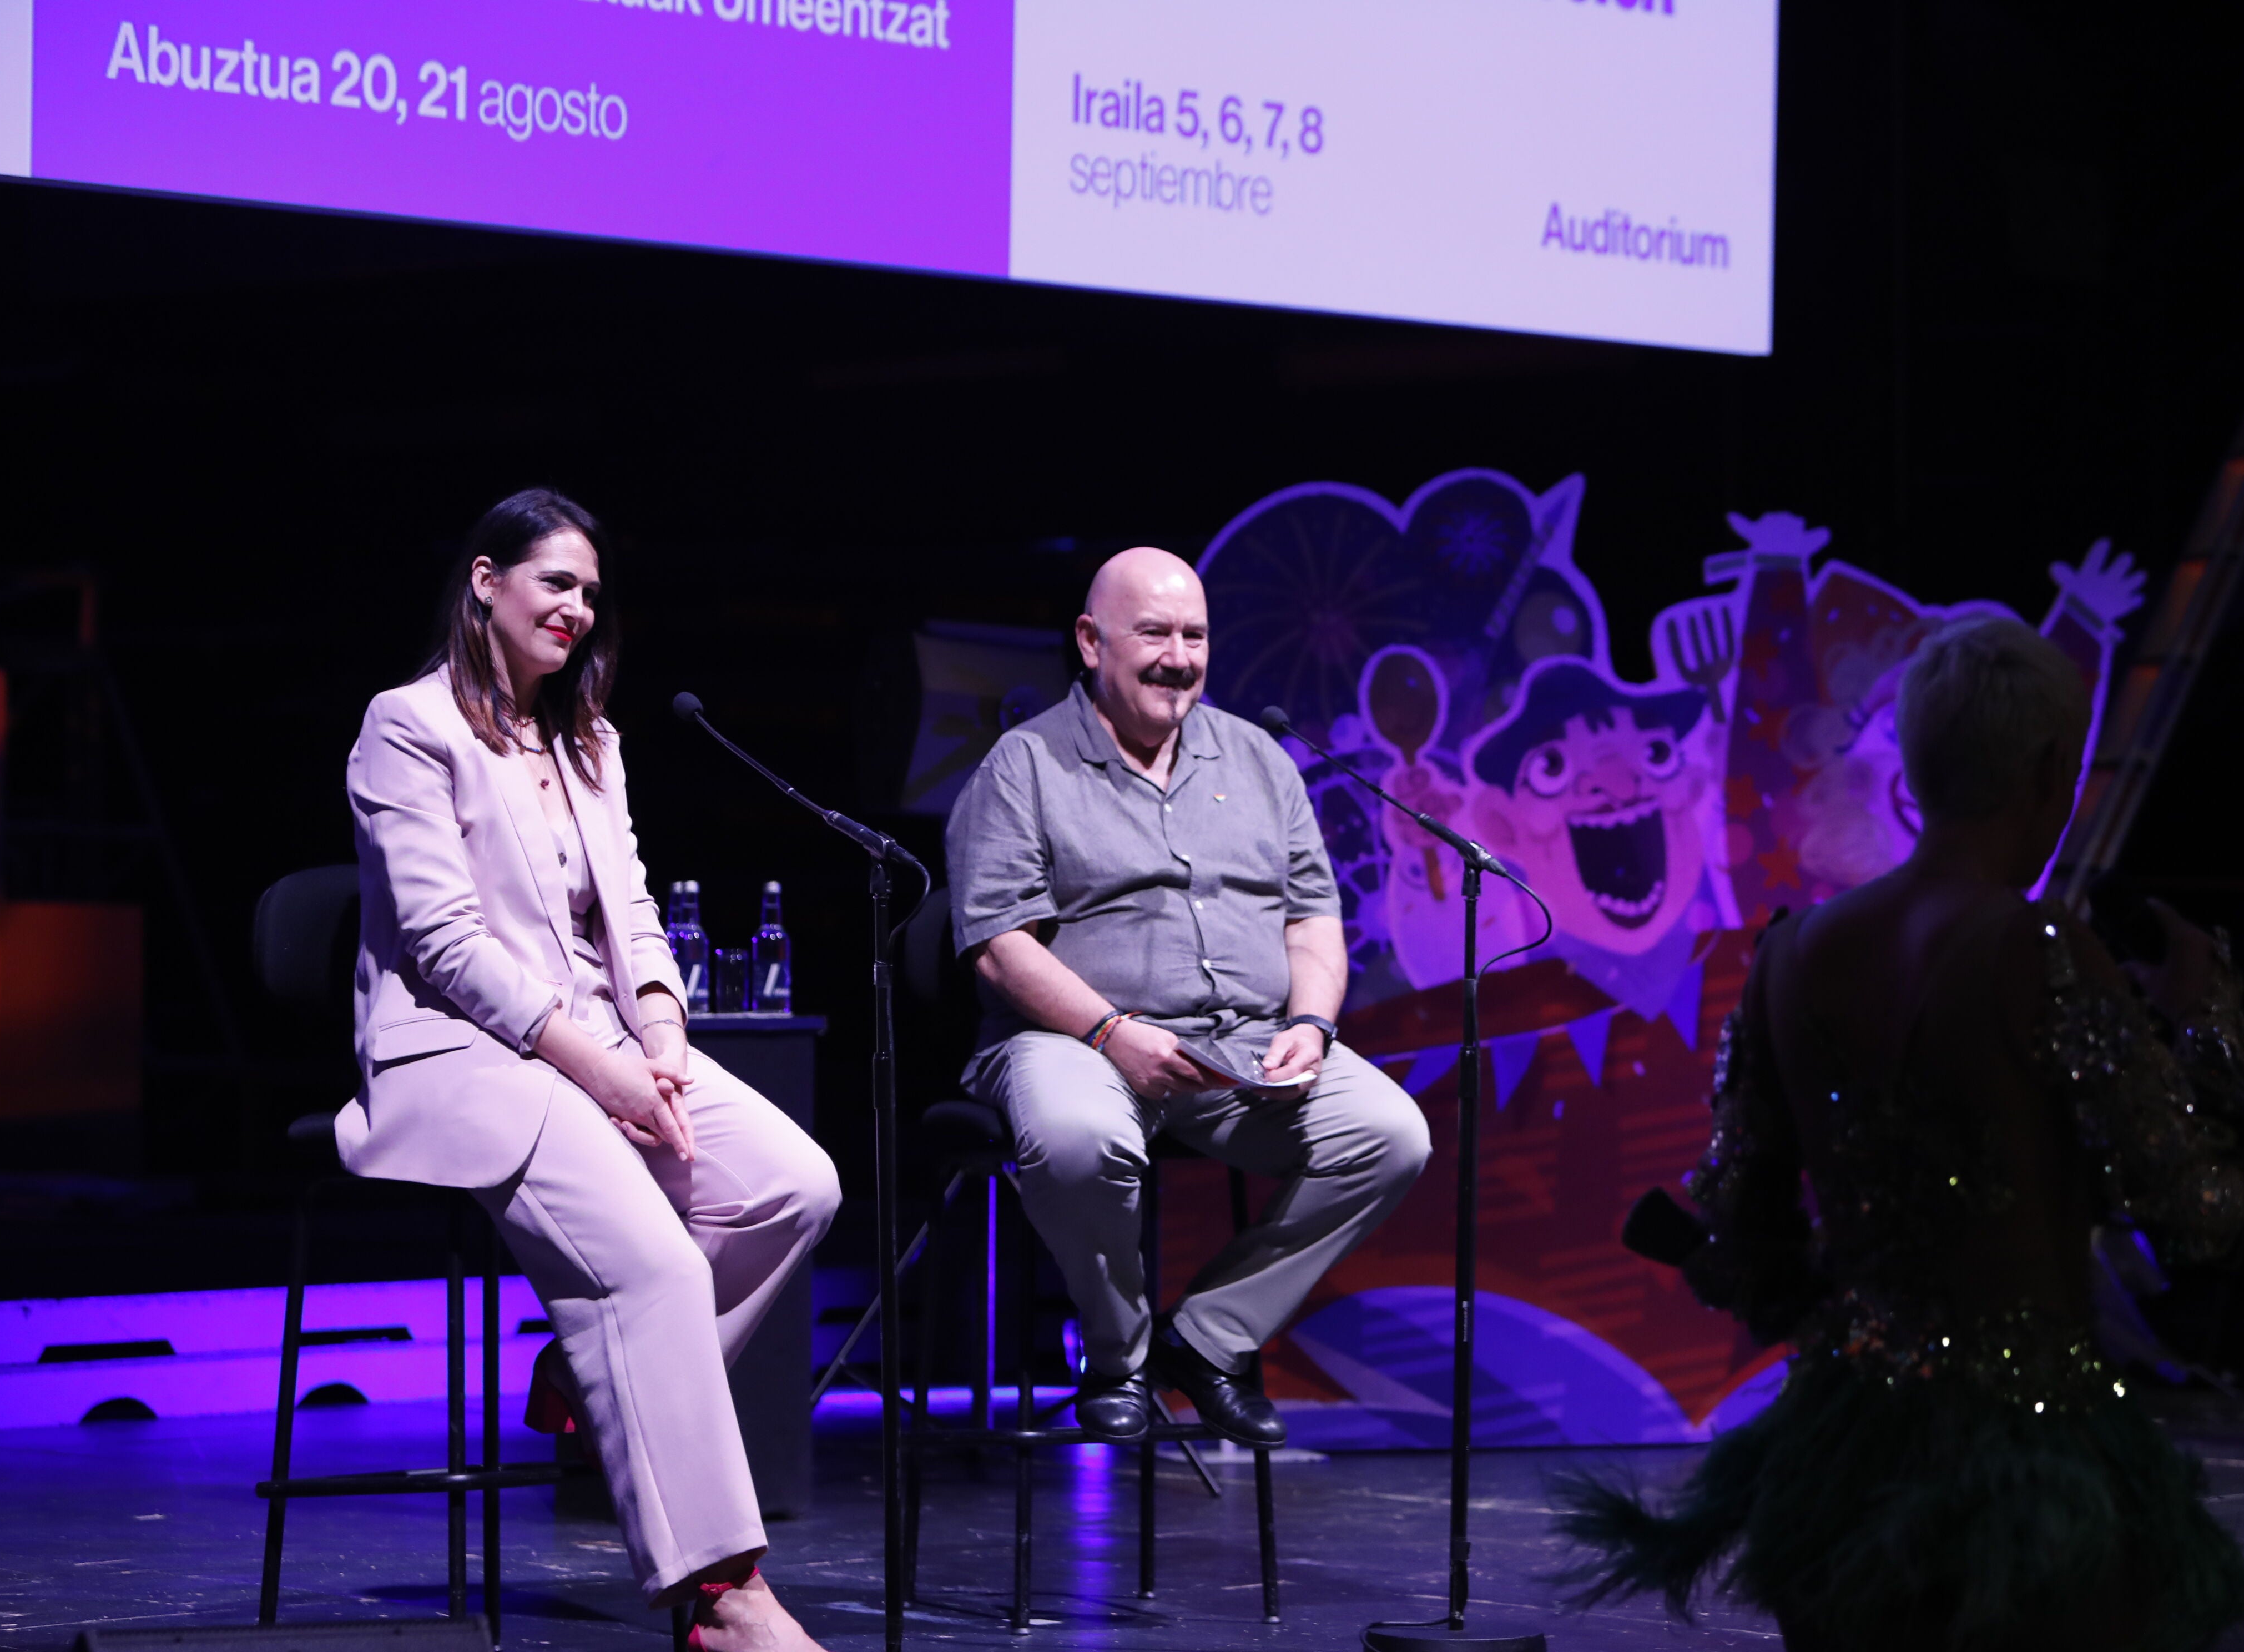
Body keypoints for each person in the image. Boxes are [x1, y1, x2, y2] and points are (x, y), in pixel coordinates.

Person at [1554, 618, 2244, 1650]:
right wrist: (2212, 1028)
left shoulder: (1793, 953)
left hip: (1838, 1456)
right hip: (2032, 1468)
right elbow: (2199, 1211)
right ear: (2049, 772)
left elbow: (1738, 1243)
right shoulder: (2043, 949)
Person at [341, 490, 841, 1652]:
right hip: (463, 1053)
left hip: (602, 1040)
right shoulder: (405, 726)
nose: (577, 608)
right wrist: (599, 1072)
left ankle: (580, 1374)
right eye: (556, 583)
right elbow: (444, 943)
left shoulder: (589, 740)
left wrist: (661, 1034)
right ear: (485, 581)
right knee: (659, 1268)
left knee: (795, 1185)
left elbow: (635, 915)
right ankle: (721, 1595)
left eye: (590, 594)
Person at [945, 546, 1431, 1444]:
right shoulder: (1025, 765)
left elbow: (1312, 917)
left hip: (1243, 1042)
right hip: (1075, 1041)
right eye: (1155, 633)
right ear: (1090, 641)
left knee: (1391, 1136)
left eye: (1196, 635)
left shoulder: (1258, 758)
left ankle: (1208, 1340)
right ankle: (1116, 1354)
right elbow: (998, 948)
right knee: (1077, 1136)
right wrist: (1111, 1030)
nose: (1180, 656)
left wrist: (1313, 1025)